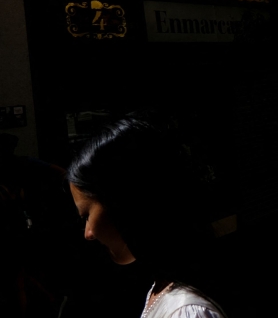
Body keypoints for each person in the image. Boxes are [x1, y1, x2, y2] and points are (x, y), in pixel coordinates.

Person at [67, 114, 226, 318]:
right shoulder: (164, 289)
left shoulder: (186, 311)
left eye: (87, 215)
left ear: (125, 203)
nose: (88, 233)